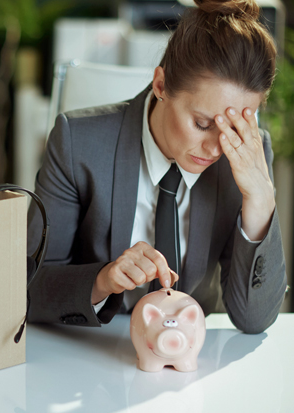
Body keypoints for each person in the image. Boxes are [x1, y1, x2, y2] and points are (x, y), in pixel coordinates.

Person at [26, 0, 287, 334]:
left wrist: (262, 199)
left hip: (190, 361)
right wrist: (103, 280)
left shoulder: (247, 158)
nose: (215, 148)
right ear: (161, 85)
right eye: (203, 124)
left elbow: (254, 320)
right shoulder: (77, 143)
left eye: (233, 130)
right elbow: (30, 289)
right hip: (91, 346)